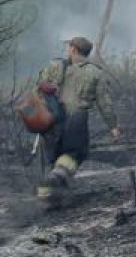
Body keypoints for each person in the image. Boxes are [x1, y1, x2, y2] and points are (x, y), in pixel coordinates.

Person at [35, 37, 120, 205]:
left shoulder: (54, 66)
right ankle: (53, 183)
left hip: (50, 119)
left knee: (55, 158)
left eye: (69, 47)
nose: (67, 50)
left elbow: (37, 91)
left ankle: (49, 198)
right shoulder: (95, 72)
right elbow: (105, 102)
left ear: (74, 50)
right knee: (75, 153)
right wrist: (113, 126)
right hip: (76, 117)